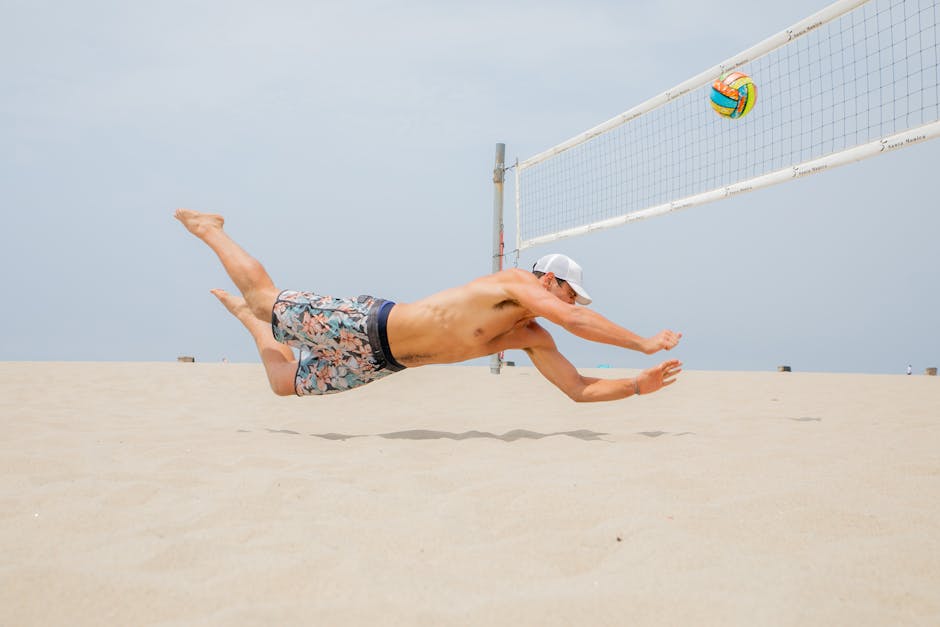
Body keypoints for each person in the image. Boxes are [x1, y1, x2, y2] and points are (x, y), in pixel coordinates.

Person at [175, 208, 682, 401]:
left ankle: (252, 325)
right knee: (266, 300)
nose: (569, 303)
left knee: (284, 385)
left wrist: (638, 385)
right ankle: (212, 230)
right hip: (370, 324)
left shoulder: (531, 333)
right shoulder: (514, 283)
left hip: (385, 361)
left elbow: (576, 388)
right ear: (549, 281)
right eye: (569, 291)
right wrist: (640, 344)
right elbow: (574, 318)